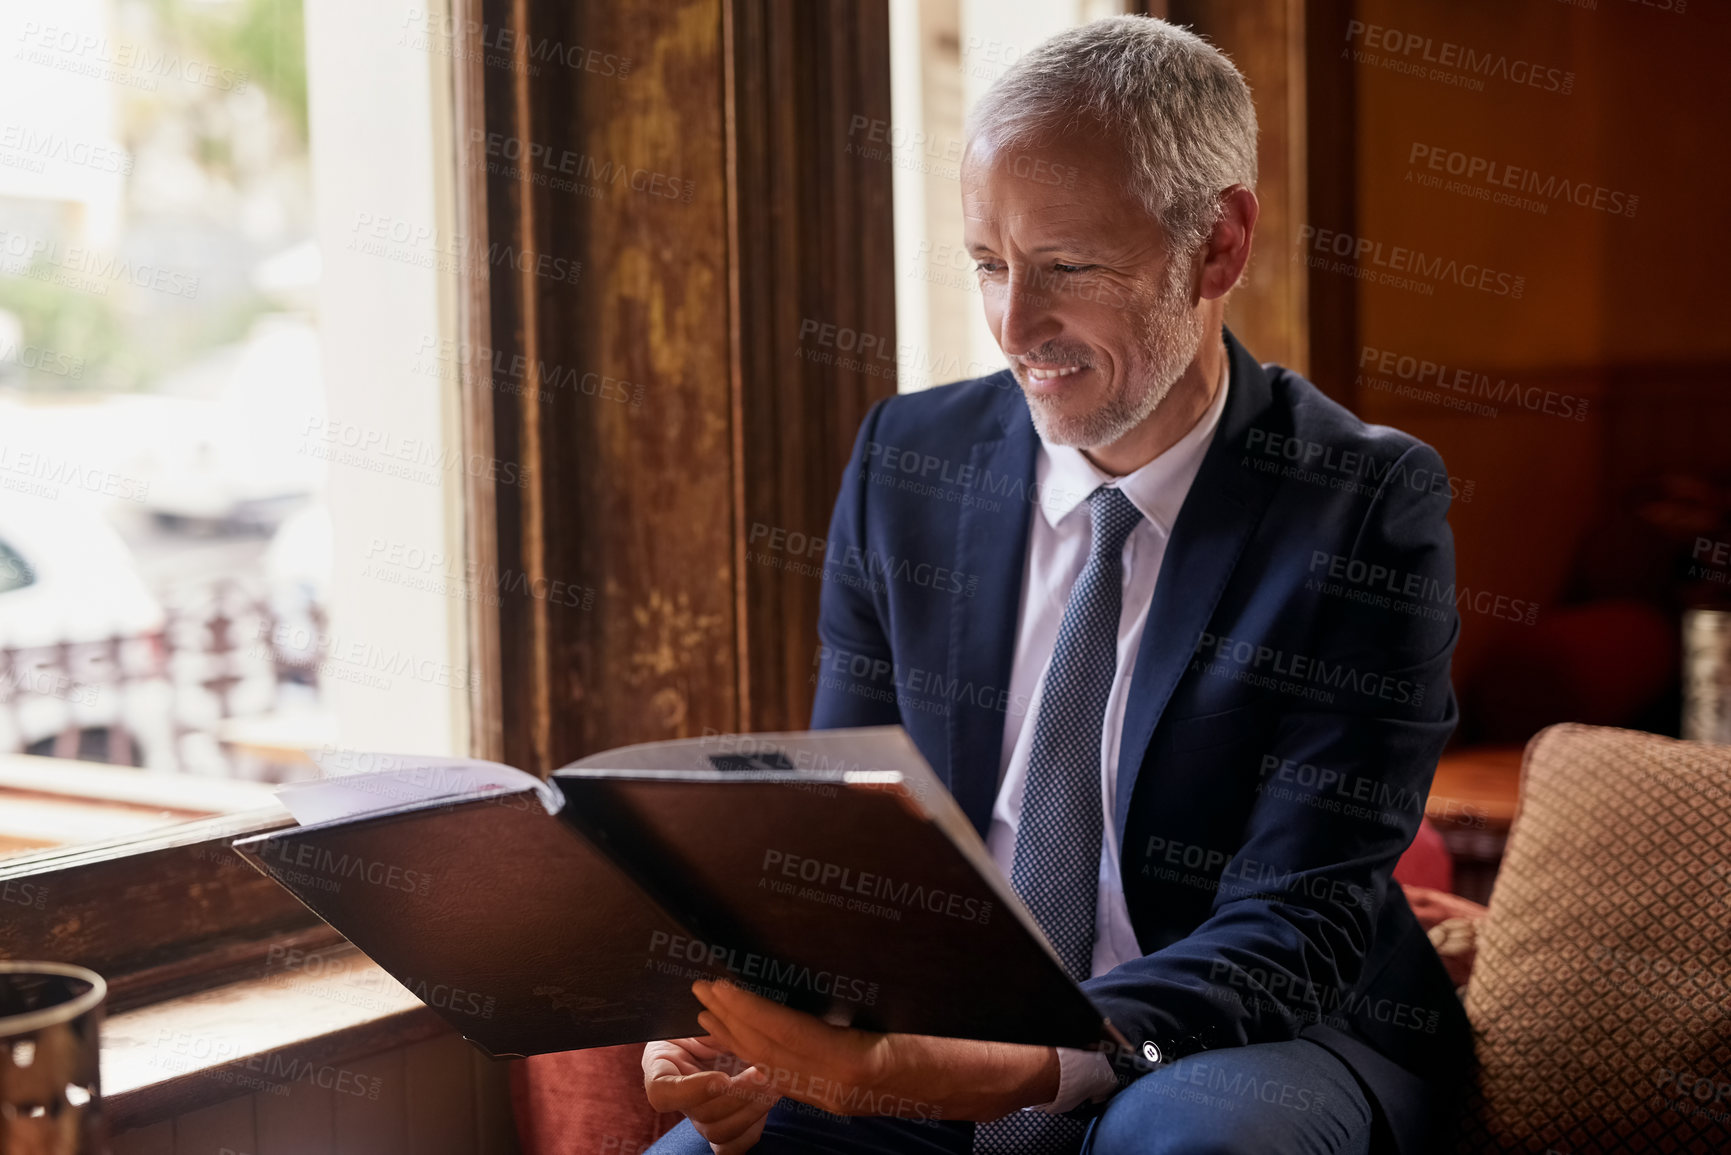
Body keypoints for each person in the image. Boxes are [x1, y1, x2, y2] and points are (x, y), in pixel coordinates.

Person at [644, 14, 1470, 1154]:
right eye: (990, 264)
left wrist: (1021, 1064)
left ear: (1219, 245)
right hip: (940, 1032)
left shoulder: (1364, 507)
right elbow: (843, 841)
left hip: (1262, 1038)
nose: (1015, 325)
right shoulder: (907, 462)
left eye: (1067, 267)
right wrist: (734, 1021)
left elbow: (1299, 921)